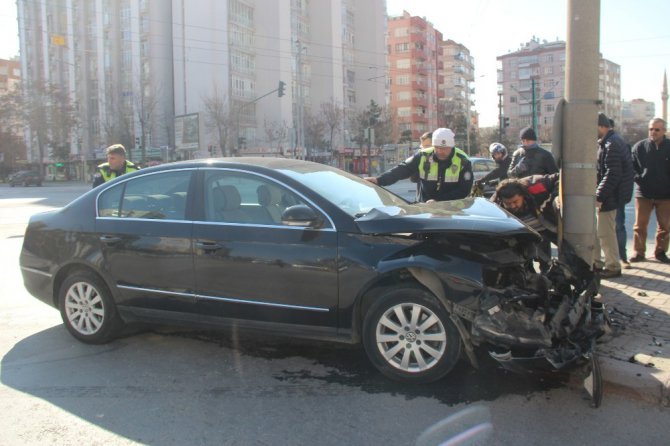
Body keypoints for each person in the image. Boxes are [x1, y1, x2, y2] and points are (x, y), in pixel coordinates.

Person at [365, 128, 473, 202]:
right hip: (425, 207)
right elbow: (402, 169)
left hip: (453, 210)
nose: (440, 151)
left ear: (452, 146)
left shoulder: (463, 161)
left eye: (444, 148)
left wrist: (439, 201)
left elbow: (464, 190)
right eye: (437, 147)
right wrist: (379, 180)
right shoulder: (423, 156)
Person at [594, 113, 634, 279]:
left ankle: (612, 266)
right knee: (602, 231)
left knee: (605, 233)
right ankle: (602, 263)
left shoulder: (612, 144)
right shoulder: (610, 141)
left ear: (601, 126)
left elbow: (612, 173)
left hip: (611, 196)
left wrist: (599, 195)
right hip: (613, 194)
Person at [491, 173, 560, 268]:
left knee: (567, 256)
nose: (512, 206)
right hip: (523, 234)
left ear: (523, 195)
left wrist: (555, 198)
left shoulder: (534, 186)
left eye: (515, 201)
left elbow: (559, 177)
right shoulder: (494, 205)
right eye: (508, 203)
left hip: (548, 226)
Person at [630, 117, 670, 263]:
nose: (653, 132)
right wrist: (639, 179)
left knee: (665, 227)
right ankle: (638, 253)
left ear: (664, 131)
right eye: (651, 129)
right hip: (643, 194)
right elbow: (631, 167)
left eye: (657, 129)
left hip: (665, 195)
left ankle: (660, 252)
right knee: (640, 226)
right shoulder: (639, 147)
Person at [609, 118, 634, 269]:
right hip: (602, 195)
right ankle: (607, 260)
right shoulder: (597, 145)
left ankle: (622, 257)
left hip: (615, 196)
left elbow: (624, 174)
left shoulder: (618, 145)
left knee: (618, 226)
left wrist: (623, 196)